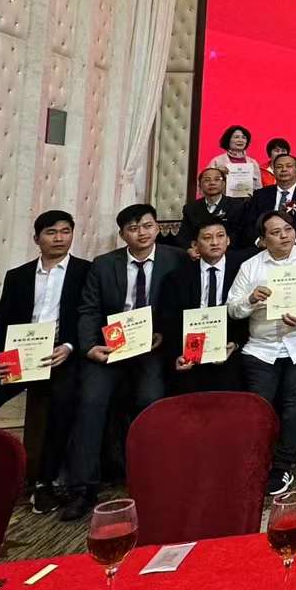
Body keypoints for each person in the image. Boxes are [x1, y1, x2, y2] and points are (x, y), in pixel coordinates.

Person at [0, 211, 90, 515]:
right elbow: (4, 321)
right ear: (36, 239)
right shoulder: (17, 275)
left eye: (65, 231)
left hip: (59, 357)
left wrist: (70, 347)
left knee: (62, 407)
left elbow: (89, 316)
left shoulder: (86, 271)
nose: (59, 238)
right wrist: (0, 359)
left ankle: (45, 483)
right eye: (51, 232)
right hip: (19, 358)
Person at [63, 204, 180, 521]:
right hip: (110, 349)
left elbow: (182, 304)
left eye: (147, 225)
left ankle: (149, 479)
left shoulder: (176, 258)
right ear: (122, 234)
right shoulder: (104, 264)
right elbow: (88, 309)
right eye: (133, 228)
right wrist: (90, 347)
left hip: (151, 348)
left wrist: (164, 334)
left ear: (157, 228)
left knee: (150, 400)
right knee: (90, 402)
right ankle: (82, 488)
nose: (142, 233)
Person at [227, 209, 296, 497]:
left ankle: (282, 466)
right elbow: (233, 309)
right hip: (262, 348)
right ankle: (257, 460)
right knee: (259, 407)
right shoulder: (251, 266)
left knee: (295, 407)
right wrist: (250, 299)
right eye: (275, 232)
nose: (284, 236)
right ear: (263, 239)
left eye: (288, 230)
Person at [159, 216, 248, 393]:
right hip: (190, 351)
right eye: (207, 238)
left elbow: (248, 314)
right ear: (195, 245)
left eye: (220, 236)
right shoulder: (176, 278)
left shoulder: (243, 271)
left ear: (228, 240)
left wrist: (236, 343)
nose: (215, 242)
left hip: (230, 348)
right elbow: (169, 320)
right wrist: (178, 354)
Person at [245, 153, 296, 249]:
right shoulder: (260, 195)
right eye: (279, 167)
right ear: (274, 171)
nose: (284, 169)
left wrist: (294, 241)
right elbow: (249, 223)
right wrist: (259, 241)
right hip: (264, 247)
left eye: (289, 166)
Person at [176, 166, 248, 248]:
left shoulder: (237, 206)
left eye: (217, 179)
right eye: (207, 180)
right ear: (200, 185)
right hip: (199, 251)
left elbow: (241, 235)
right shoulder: (191, 208)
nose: (212, 183)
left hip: (229, 251)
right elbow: (183, 237)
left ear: (224, 183)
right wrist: (190, 249)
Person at [208, 124, 261, 198]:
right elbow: (206, 183)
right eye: (236, 137)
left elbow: (258, 186)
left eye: (244, 137)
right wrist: (217, 173)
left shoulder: (253, 162)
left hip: (248, 202)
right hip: (224, 201)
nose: (240, 140)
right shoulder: (217, 161)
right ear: (228, 140)